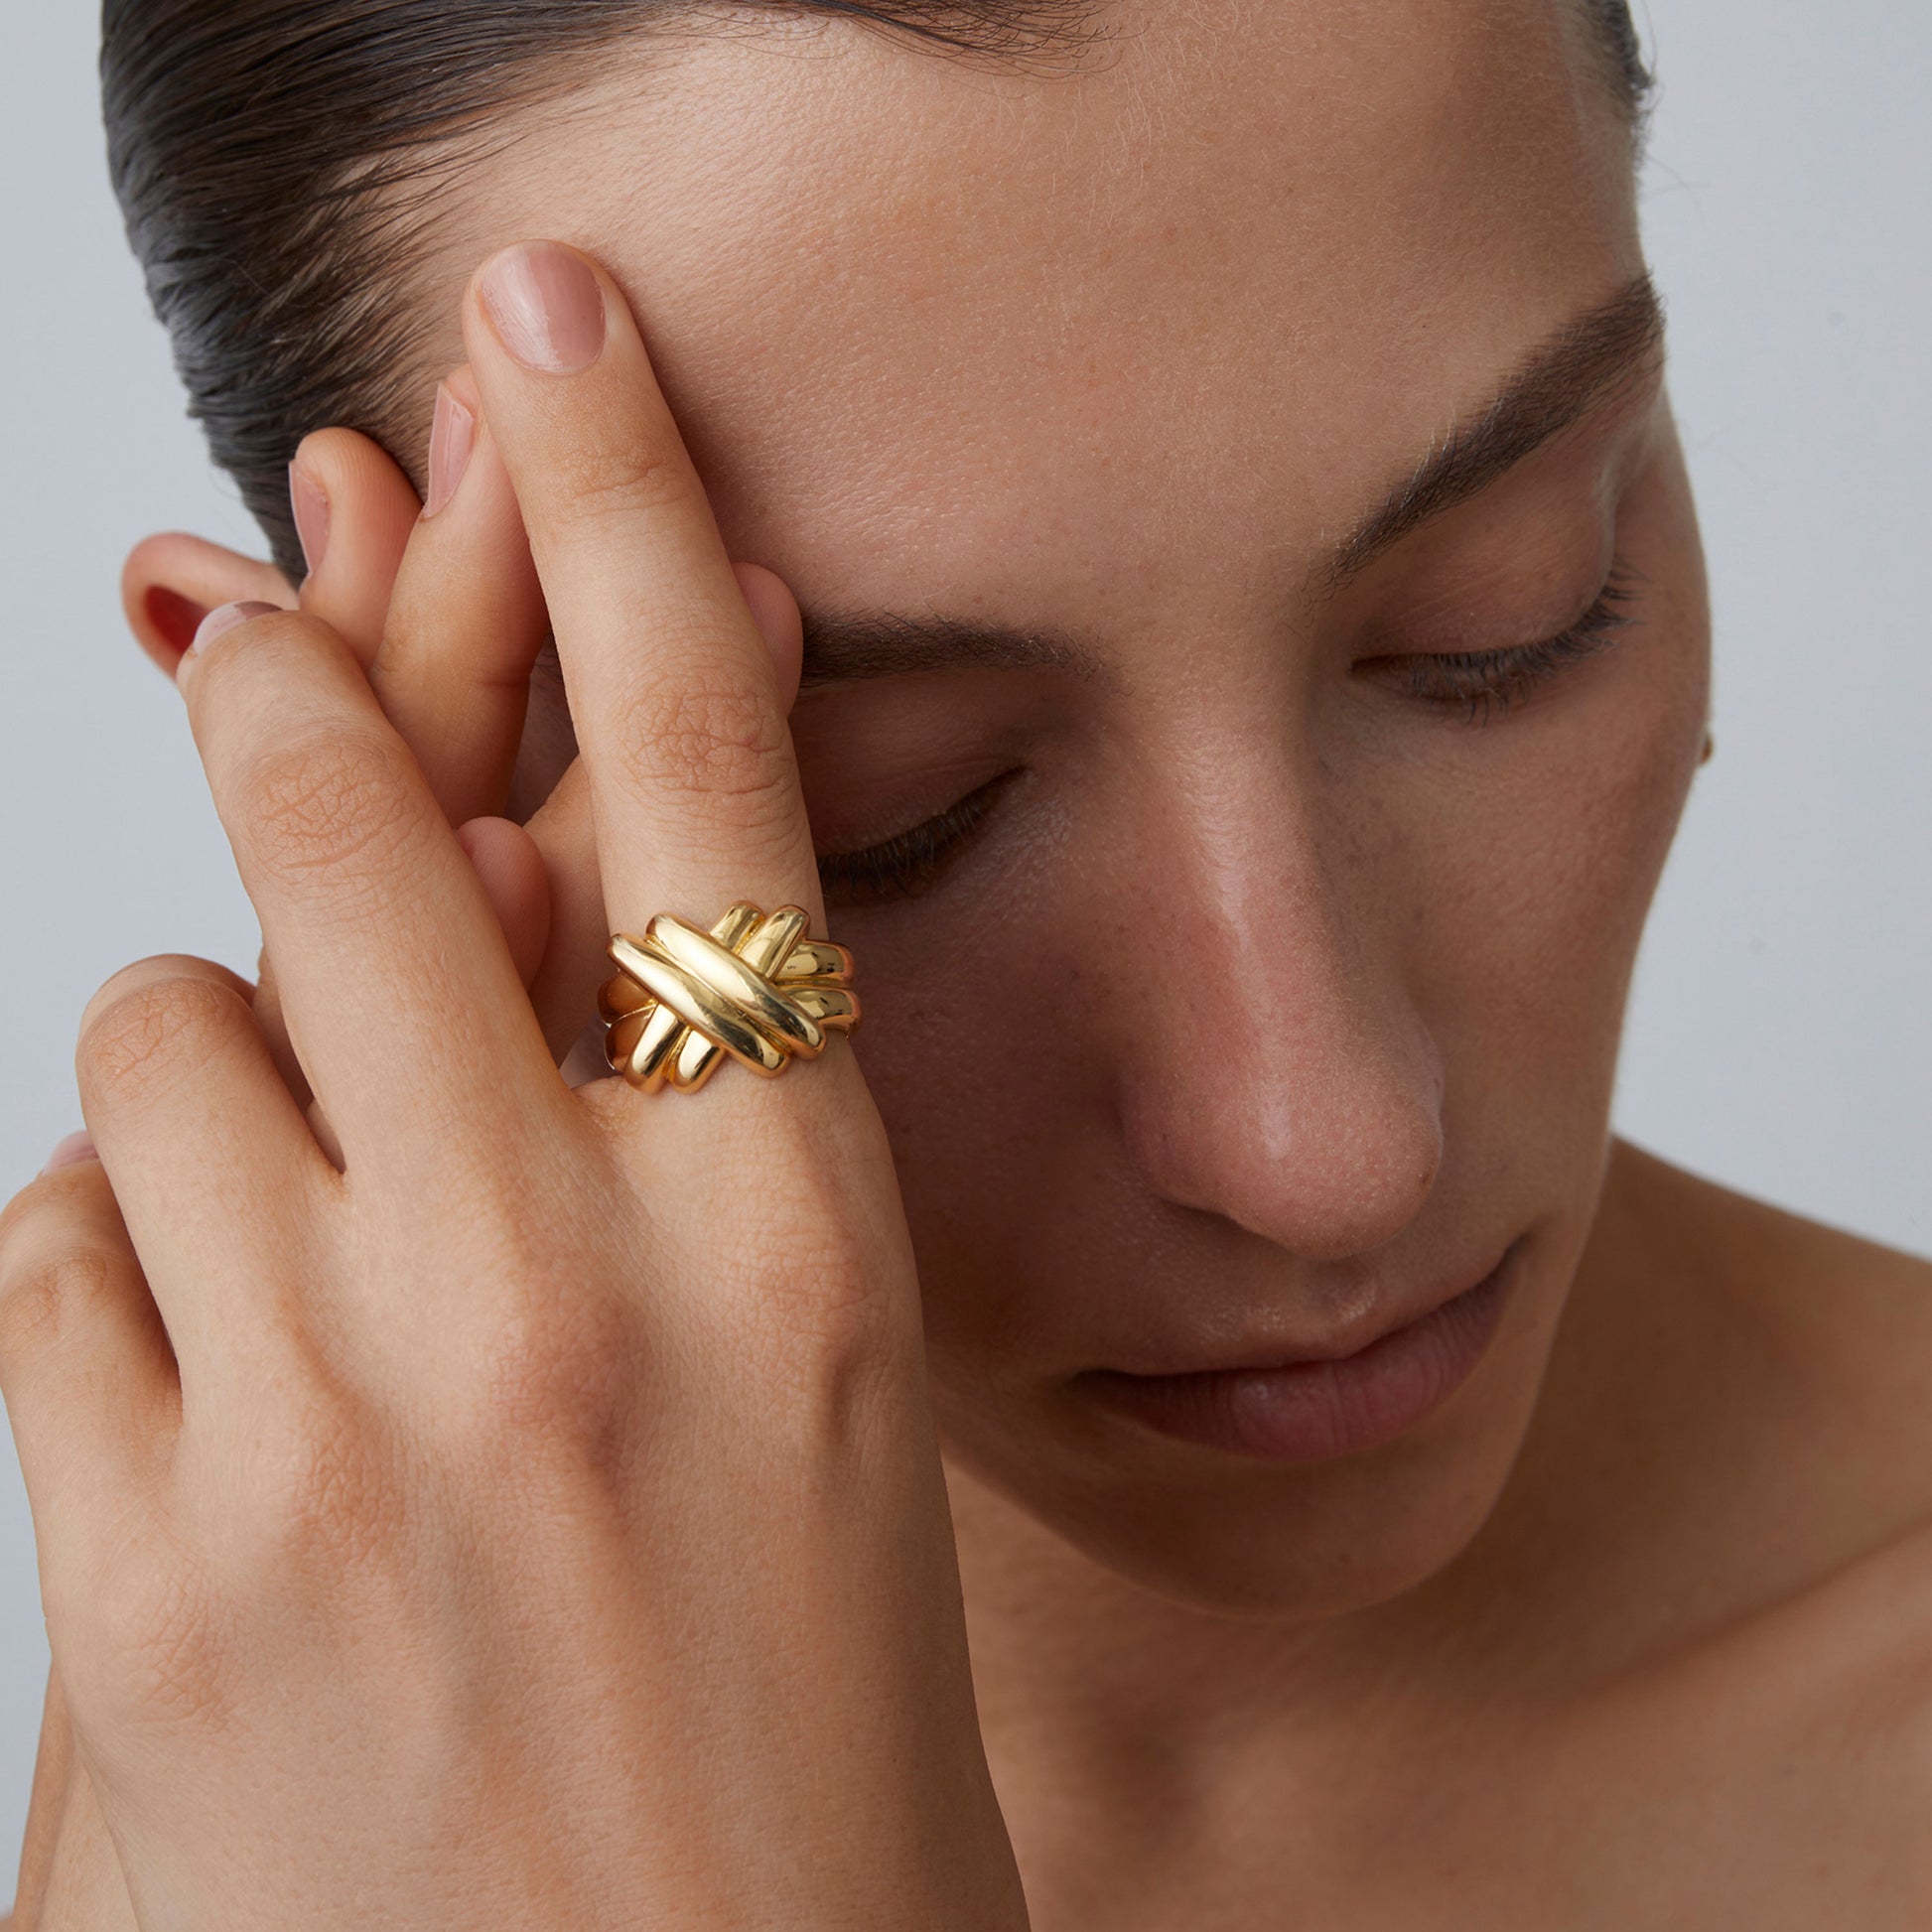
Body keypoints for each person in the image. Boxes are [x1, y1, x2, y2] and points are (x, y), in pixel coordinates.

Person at [3, 1, 1928, 1924]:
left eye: (1502, 621)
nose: (1325, 1145)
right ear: (310, 744)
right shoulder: (238, 1815)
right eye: (879, 818)